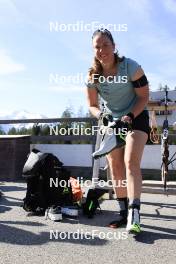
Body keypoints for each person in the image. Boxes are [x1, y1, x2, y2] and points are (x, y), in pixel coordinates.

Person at [86, 28, 149, 234]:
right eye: (98, 46)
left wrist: (129, 117)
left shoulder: (131, 67)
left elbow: (144, 96)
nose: (102, 50)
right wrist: (101, 117)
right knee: (115, 166)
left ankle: (134, 214)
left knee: (131, 162)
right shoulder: (92, 76)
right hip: (112, 120)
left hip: (135, 116)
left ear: (114, 46)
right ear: (93, 50)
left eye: (106, 45)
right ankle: (123, 212)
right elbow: (92, 105)